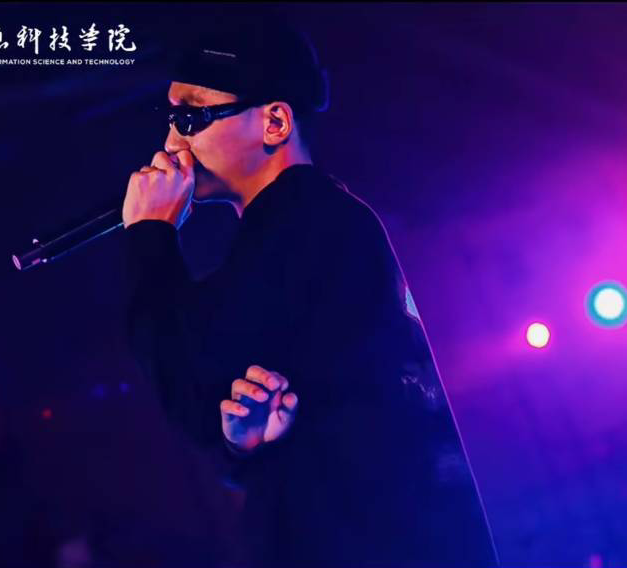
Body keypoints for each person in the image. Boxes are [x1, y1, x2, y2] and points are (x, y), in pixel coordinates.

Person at [123, 17, 499, 568]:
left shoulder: (303, 219)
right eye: (171, 119)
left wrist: (150, 235)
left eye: (191, 118)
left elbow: (188, 378)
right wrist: (245, 441)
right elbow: (224, 409)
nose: (171, 144)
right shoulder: (303, 223)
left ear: (275, 122)